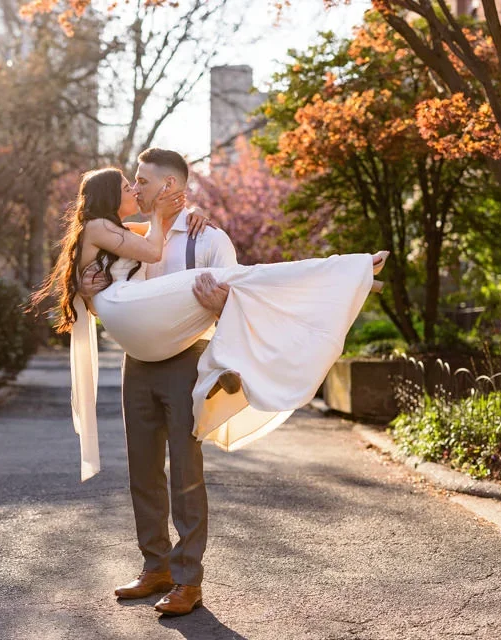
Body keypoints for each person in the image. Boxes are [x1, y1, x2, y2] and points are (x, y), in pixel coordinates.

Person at [32, 149, 387, 616]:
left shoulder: (209, 240)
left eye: (143, 181)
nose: (135, 189)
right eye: (131, 182)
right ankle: (153, 567)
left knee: (185, 471)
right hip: (136, 365)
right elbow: (106, 290)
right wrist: (88, 288)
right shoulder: (127, 234)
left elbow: (239, 300)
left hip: (186, 362)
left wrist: (220, 304)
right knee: (142, 470)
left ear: (170, 187)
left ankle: (187, 580)